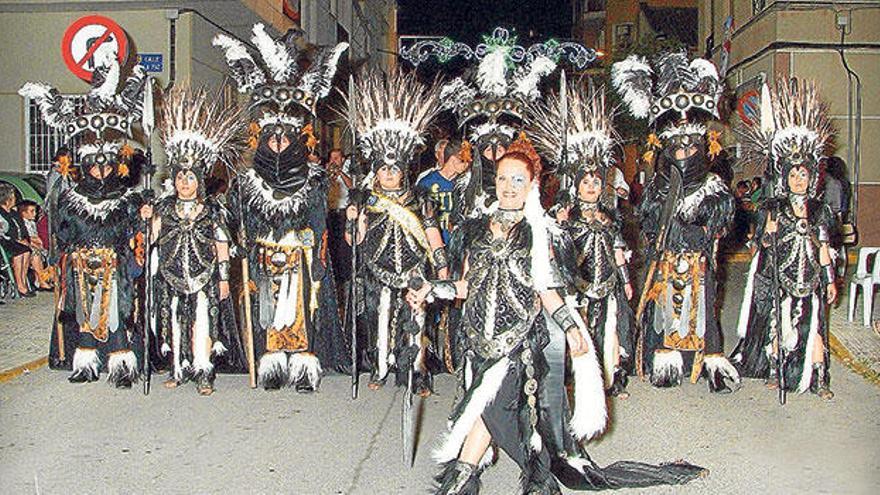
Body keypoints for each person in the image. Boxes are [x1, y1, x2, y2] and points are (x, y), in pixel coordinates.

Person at [409, 135, 706, 494]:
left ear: (531, 185)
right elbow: (466, 286)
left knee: (493, 409)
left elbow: (546, 290)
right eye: (503, 178)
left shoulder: (539, 234)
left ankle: (480, 481)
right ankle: (496, 478)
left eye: (518, 179)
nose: (509, 187)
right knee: (488, 412)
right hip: (478, 341)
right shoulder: (476, 232)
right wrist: (431, 289)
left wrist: (570, 328)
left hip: (518, 343)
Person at [215, 23, 349, 391]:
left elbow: (320, 225)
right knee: (269, 311)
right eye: (271, 136)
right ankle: (271, 362)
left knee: (303, 309)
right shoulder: (246, 183)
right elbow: (234, 222)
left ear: (296, 138)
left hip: (301, 257)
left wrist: (316, 256)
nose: (277, 142)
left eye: (284, 136)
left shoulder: (315, 180)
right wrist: (240, 241)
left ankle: (304, 364)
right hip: (262, 260)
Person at [613, 50, 739, 393]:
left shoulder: (714, 188)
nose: (684, 154)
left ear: (703, 148)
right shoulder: (657, 189)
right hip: (667, 264)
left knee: (703, 311)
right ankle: (666, 361)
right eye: (677, 150)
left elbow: (720, 225)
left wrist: (703, 232)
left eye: (691, 148)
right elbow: (649, 227)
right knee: (665, 311)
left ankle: (710, 363)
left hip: (699, 263)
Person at [19, 54, 149, 385]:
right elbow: (62, 234)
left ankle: (121, 366)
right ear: (86, 166)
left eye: (106, 165)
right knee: (84, 315)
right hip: (81, 267)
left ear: (116, 166)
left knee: (118, 315)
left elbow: (136, 234)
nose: (100, 171)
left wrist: (143, 222)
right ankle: (86, 364)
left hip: (114, 266)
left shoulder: (126, 199)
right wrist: (58, 260)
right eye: (94, 165)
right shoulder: (71, 200)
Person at [732, 79, 837, 400]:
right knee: (780, 328)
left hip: (811, 278)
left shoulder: (820, 210)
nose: (798, 179)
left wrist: (830, 280)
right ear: (785, 177)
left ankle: (820, 379)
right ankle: (776, 371)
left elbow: (823, 248)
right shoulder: (773, 207)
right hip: (781, 275)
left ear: (811, 177)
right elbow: (760, 244)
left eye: (803, 174)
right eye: (793, 174)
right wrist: (768, 234)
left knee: (815, 330)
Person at [529, 87, 635, 402]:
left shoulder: (609, 215)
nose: (591, 187)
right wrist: (559, 225)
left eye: (596, 182)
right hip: (575, 285)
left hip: (606, 284)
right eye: (585, 182)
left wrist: (626, 281)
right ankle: (571, 381)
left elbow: (617, 249)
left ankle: (610, 381)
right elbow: (550, 252)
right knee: (575, 332)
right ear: (575, 184)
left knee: (608, 332)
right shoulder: (562, 214)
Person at [343, 68, 445, 395]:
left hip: (415, 267)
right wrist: (353, 218)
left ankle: (416, 372)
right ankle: (380, 365)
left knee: (416, 322)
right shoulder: (366, 199)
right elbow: (353, 240)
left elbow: (431, 233)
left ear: (404, 170)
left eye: (394, 169)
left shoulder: (420, 199)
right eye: (383, 168)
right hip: (378, 269)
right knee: (380, 318)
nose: (389, 174)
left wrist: (441, 266)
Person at [142, 86, 246, 395]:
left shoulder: (212, 209)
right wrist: (147, 219)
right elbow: (153, 238)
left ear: (198, 181)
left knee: (202, 321)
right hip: (171, 275)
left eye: (190, 178)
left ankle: (203, 370)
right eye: (179, 178)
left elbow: (222, 244)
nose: (184, 183)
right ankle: (178, 367)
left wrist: (225, 278)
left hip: (204, 276)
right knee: (174, 321)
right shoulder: (164, 207)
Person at [416, 139, 472, 243]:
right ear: (453, 159)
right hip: (433, 243)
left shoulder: (464, 184)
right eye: (463, 161)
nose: (467, 165)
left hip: (457, 245)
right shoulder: (427, 182)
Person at [326, 148, 353, 290]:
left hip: (344, 214)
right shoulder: (328, 174)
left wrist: (340, 173)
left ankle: (346, 279)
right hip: (330, 214)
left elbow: (352, 186)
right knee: (331, 246)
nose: (333, 161)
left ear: (342, 160)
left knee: (343, 248)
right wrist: (330, 174)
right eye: (332, 158)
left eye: (336, 158)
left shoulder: (348, 173)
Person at [0, 185, 33, 297]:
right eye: (13, 197)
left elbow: (22, 229)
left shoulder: (14, 213)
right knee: (19, 252)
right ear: (7, 199)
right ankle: (19, 285)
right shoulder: (1, 214)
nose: (15, 199)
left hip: (16, 242)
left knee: (26, 251)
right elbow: (5, 232)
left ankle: (23, 282)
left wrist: (25, 239)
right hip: (5, 242)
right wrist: (17, 240)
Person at [17, 200, 52, 290]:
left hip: (36, 246)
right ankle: (42, 281)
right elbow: (26, 237)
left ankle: (39, 280)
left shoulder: (32, 223)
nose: (35, 214)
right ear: (23, 213)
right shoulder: (22, 223)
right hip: (28, 247)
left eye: (35, 211)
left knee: (40, 254)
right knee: (36, 254)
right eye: (32, 211)